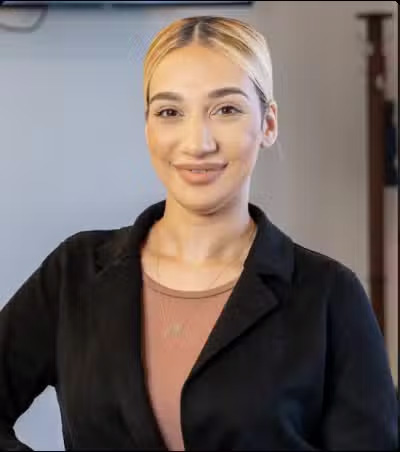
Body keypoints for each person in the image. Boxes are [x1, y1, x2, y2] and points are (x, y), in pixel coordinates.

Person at [0, 15, 397, 452]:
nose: (197, 142)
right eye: (170, 112)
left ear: (268, 123)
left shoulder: (329, 296)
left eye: (226, 109)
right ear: (148, 125)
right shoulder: (74, 272)